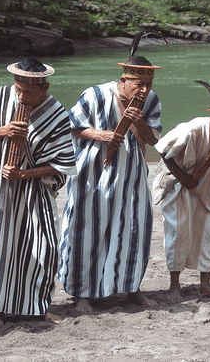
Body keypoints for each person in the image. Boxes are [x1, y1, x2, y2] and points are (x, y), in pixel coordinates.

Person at [58, 31, 165, 312]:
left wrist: (138, 121)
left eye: (149, 84)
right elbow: (71, 125)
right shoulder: (94, 95)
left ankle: (131, 288)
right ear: (124, 80)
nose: (144, 90)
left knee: (133, 228)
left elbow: (153, 139)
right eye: (139, 84)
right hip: (92, 173)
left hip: (131, 174)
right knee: (87, 229)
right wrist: (100, 135)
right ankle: (82, 293)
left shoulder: (151, 101)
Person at [0, 58, 76, 326]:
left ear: (44, 87)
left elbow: (61, 164)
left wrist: (24, 174)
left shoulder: (57, 113)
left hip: (33, 191)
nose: (21, 95)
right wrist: (5, 130)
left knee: (42, 246)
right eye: (18, 89)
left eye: (28, 92)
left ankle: (40, 306)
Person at [153, 68, 210, 303]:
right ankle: (175, 285)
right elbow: (164, 151)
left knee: (209, 228)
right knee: (177, 230)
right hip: (177, 179)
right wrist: (183, 178)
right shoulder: (192, 129)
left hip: (209, 184)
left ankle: (205, 284)